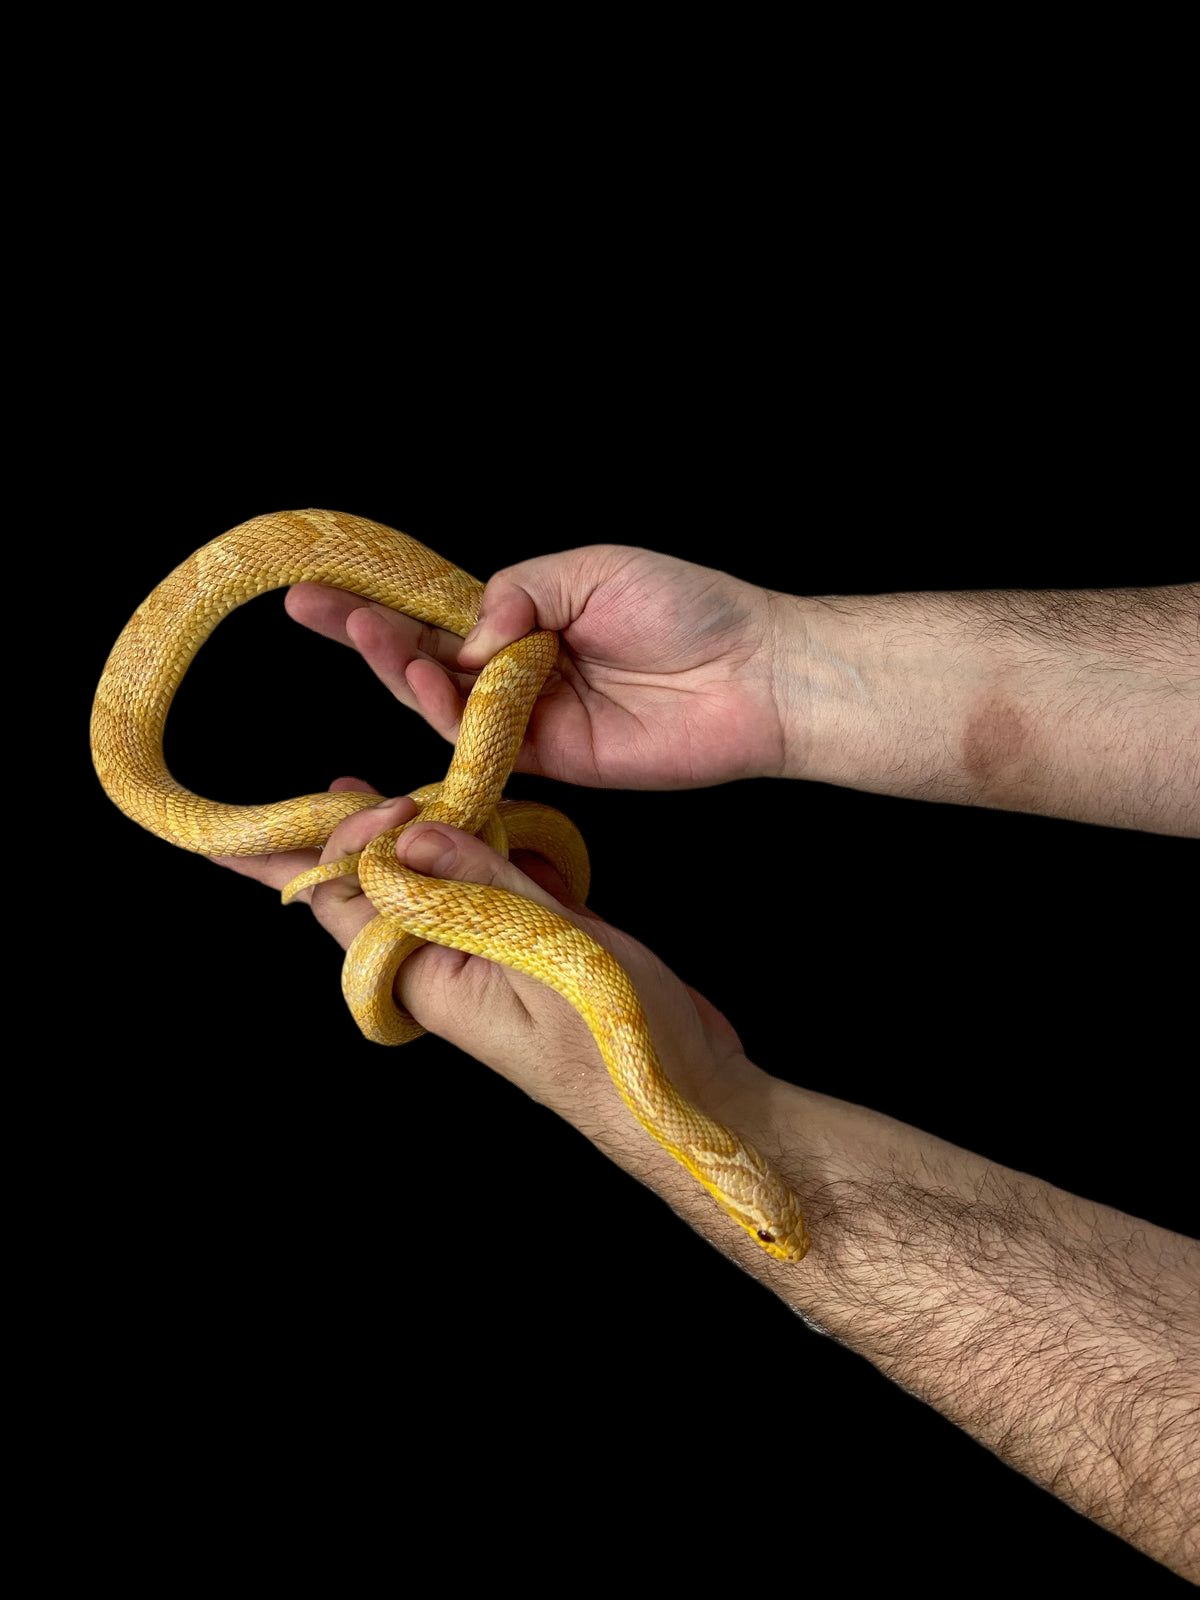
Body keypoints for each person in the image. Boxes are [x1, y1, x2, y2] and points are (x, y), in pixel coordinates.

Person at [216, 550, 1198, 1579]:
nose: (783, 1236)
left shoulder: (674, 1096)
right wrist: (775, 666)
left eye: (771, 1221)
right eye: (772, 1223)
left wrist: (725, 1104)